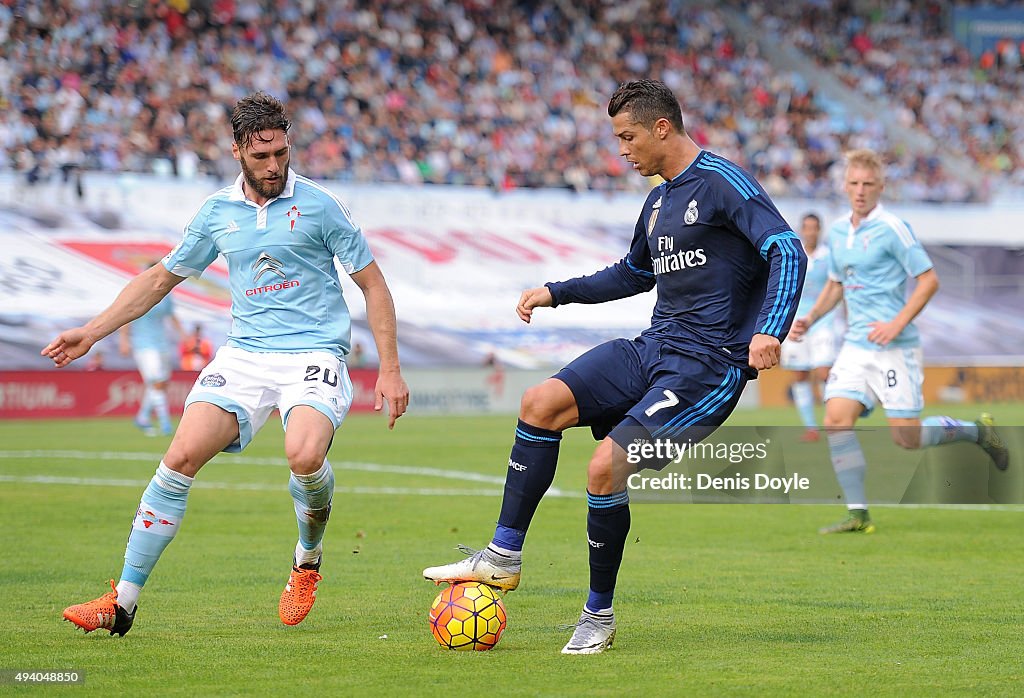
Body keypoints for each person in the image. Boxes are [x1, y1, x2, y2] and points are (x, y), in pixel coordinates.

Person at [423, 79, 807, 654]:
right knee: (539, 403)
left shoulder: (724, 183)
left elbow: (787, 249)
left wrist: (769, 330)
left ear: (661, 128)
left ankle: (597, 616)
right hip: (654, 348)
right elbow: (633, 274)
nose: (621, 150)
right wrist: (556, 291)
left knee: (604, 470)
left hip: (706, 369)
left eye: (627, 137)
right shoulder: (656, 202)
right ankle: (503, 554)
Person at [44, 92, 409, 636]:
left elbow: (373, 285)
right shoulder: (217, 213)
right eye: (261, 156)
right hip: (244, 355)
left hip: (313, 351)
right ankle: (122, 602)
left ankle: (307, 559)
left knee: (303, 455)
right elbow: (158, 279)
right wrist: (93, 332)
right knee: (179, 456)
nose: (274, 166)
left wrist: (390, 368)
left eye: (281, 153)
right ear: (237, 149)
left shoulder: (320, 205)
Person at [789, 149, 1009, 535]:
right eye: (854, 184)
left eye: (868, 185)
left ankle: (977, 431)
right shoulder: (839, 231)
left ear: (881, 187)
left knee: (906, 437)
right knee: (836, 421)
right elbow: (836, 285)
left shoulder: (893, 227)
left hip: (895, 347)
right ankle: (858, 514)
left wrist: (895, 323)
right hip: (856, 346)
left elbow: (929, 281)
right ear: (844, 186)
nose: (860, 191)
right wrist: (810, 317)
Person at [780, 213, 837, 442]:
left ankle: (832, 423)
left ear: (820, 230)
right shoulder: (795, 254)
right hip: (796, 322)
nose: (810, 232)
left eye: (814, 228)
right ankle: (811, 428)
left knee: (824, 372)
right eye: (806, 228)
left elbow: (836, 287)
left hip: (823, 321)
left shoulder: (829, 256)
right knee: (800, 374)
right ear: (801, 230)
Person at [119, 285, 184, 436]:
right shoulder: (139, 292)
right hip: (143, 345)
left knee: (160, 384)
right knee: (157, 382)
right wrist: (124, 339)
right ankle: (165, 422)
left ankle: (142, 417)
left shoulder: (166, 295)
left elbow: (172, 315)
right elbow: (126, 316)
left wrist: (183, 334)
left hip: (162, 344)